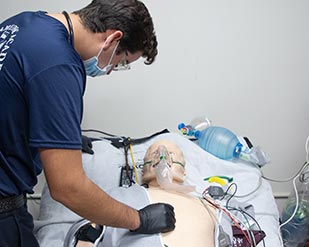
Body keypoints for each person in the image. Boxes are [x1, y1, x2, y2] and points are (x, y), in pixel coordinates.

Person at [0, 1, 175, 246]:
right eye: (122, 61)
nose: (113, 70)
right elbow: (67, 187)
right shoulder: (59, 64)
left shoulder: (23, 23)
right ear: (113, 39)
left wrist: (60, 134)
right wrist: (137, 219)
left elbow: (11, 97)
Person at [69, 139, 216, 247]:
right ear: (143, 171)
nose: (161, 156)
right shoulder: (116, 198)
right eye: (153, 154)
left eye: (171, 154)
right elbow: (85, 230)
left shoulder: (208, 204)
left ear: (184, 172)